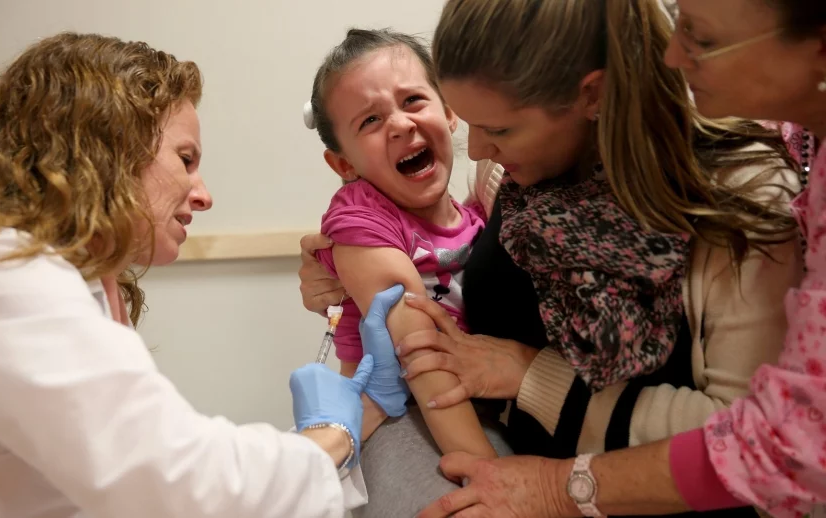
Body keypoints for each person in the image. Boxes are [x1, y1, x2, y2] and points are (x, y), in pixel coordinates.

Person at [296, 0, 806, 516]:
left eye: (500, 130)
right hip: (509, 452)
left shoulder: (742, 201)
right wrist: (347, 276)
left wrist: (529, 380)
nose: (477, 149)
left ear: (592, 95)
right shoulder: (508, 174)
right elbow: (438, 275)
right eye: (472, 123)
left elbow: (750, 441)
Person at [0, 31, 407, 518]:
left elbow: (153, 468)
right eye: (185, 160)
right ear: (107, 147)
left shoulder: (67, 279)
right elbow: (177, 483)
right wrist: (333, 433)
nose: (203, 195)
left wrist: (356, 417)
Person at [304, 27, 518, 462]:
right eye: (370, 121)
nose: (401, 125)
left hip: (485, 406)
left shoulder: (478, 216)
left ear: (450, 111)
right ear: (343, 163)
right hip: (400, 415)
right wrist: (485, 471)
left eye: (413, 101)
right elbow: (420, 353)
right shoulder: (361, 218)